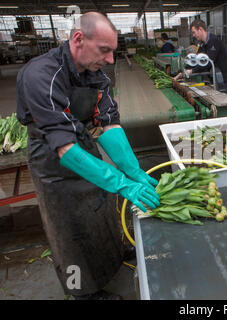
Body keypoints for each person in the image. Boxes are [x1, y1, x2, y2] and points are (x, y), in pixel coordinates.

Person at [16, 12, 160, 300]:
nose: (109, 60)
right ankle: (81, 291)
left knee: (100, 207)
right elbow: (63, 148)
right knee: (68, 230)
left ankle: (116, 254)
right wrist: (121, 182)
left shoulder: (96, 75)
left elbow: (109, 122)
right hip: (51, 157)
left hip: (81, 141)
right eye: (104, 50)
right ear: (79, 39)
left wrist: (133, 172)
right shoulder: (41, 75)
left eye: (112, 52)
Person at [174, 19, 227, 96]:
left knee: (226, 100)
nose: (193, 35)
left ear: (200, 29)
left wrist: (192, 71)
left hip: (224, 78)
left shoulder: (213, 41)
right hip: (215, 76)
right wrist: (184, 71)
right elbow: (197, 60)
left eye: (194, 32)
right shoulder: (202, 44)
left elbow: (208, 62)